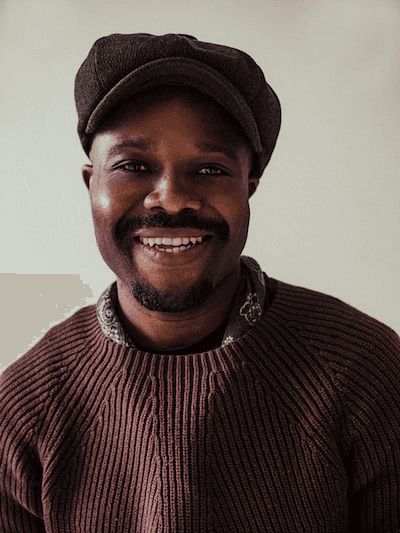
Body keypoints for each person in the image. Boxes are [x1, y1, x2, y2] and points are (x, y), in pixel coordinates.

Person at [1, 33, 399, 533]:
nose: (171, 198)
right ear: (91, 183)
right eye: (133, 166)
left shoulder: (366, 372)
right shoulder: (23, 411)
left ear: (248, 187)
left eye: (210, 169)